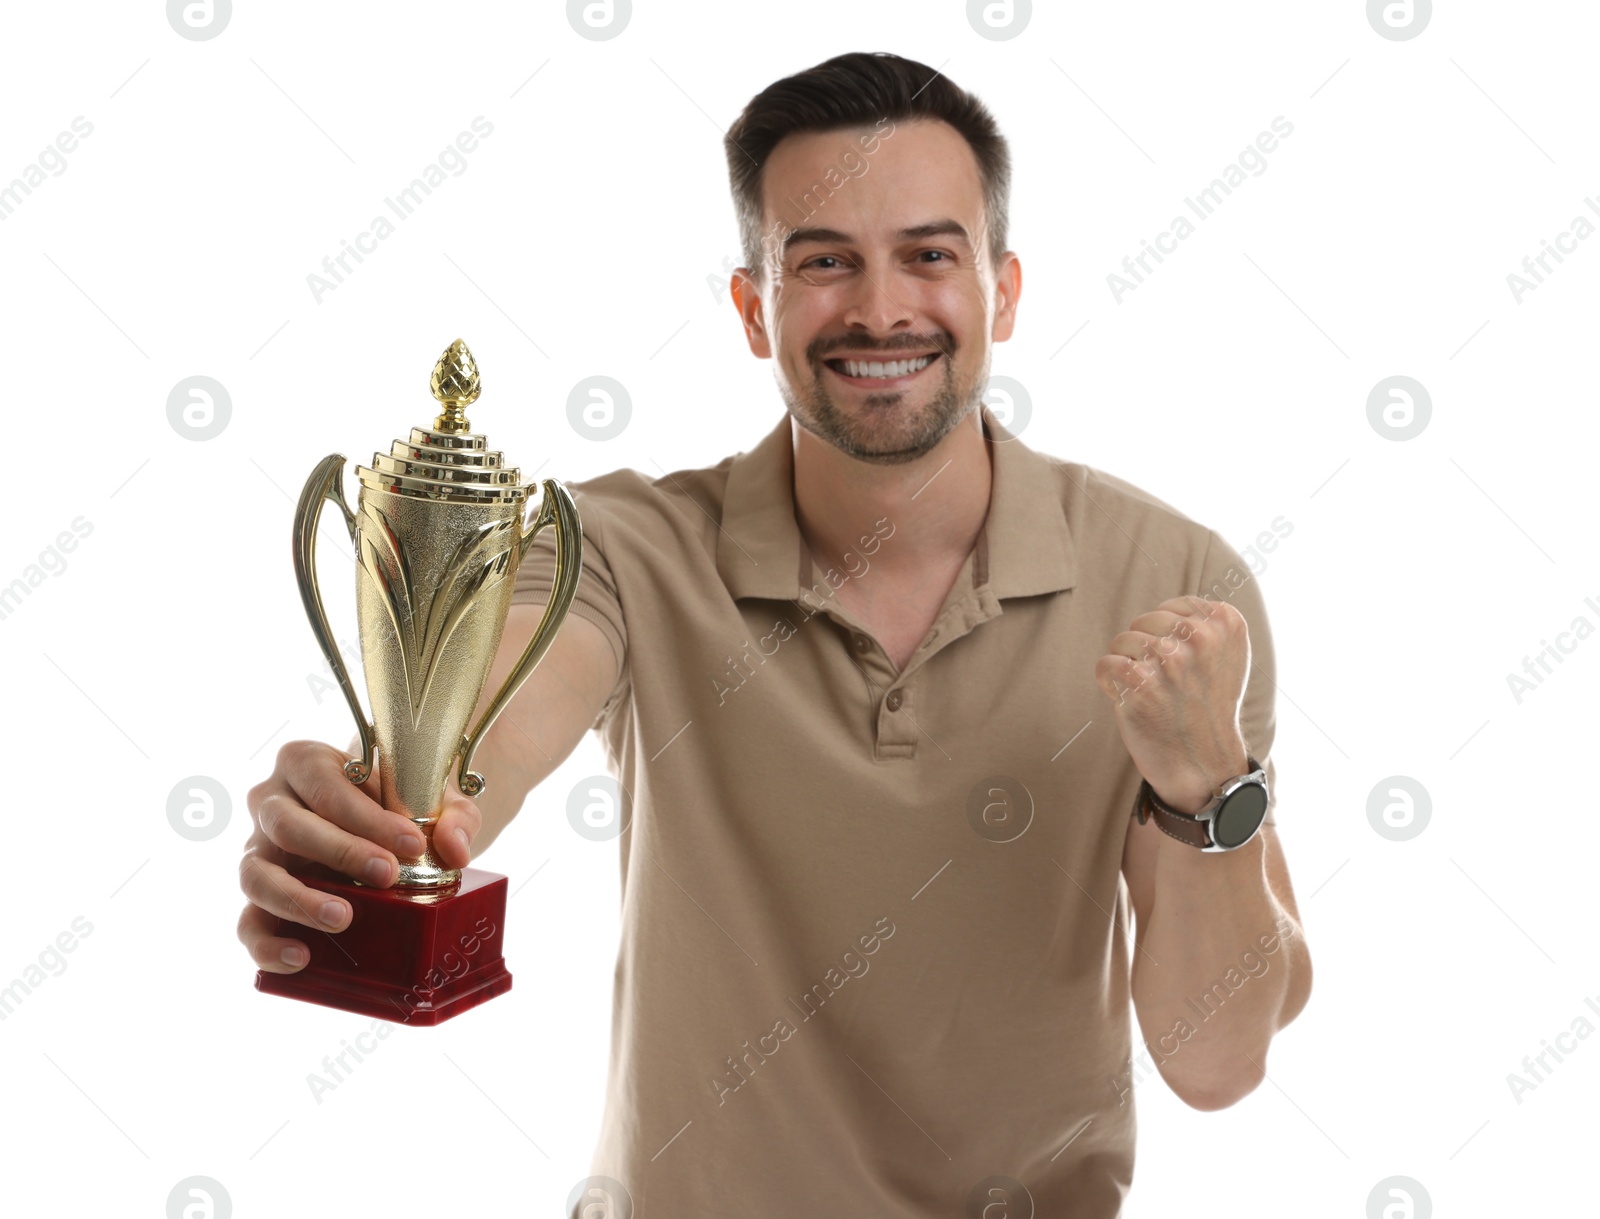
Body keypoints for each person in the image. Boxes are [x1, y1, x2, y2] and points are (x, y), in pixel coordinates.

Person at [239, 51, 1312, 1216]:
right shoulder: (622, 547)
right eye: (824, 263)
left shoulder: (1178, 584)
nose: (881, 307)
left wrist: (1210, 787)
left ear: (1002, 292)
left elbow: (1216, 1062)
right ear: (755, 309)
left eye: (929, 255)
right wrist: (384, 810)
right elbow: (496, 730)